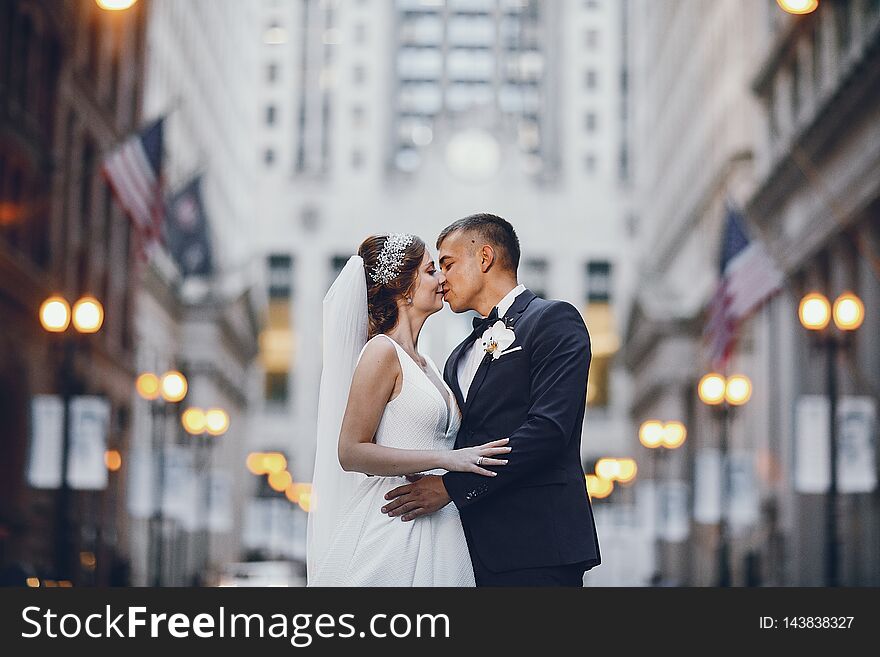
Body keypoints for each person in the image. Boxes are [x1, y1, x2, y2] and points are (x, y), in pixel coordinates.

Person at [380, 213, 602, 586]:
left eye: (447, 264)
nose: (441, 278)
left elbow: (548, 431)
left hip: (537, 547)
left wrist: (450, 488)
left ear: (484, 258)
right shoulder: (457, 357)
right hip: (465, 548)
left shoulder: (554, 321)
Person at [307, 233, 510, 586]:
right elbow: (351, 451)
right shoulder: (380, 353)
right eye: (432, 270)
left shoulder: (429, 363)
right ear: (404, 288)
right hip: (394, 524)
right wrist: (447, 459)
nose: (443, 279)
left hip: (443, 524)